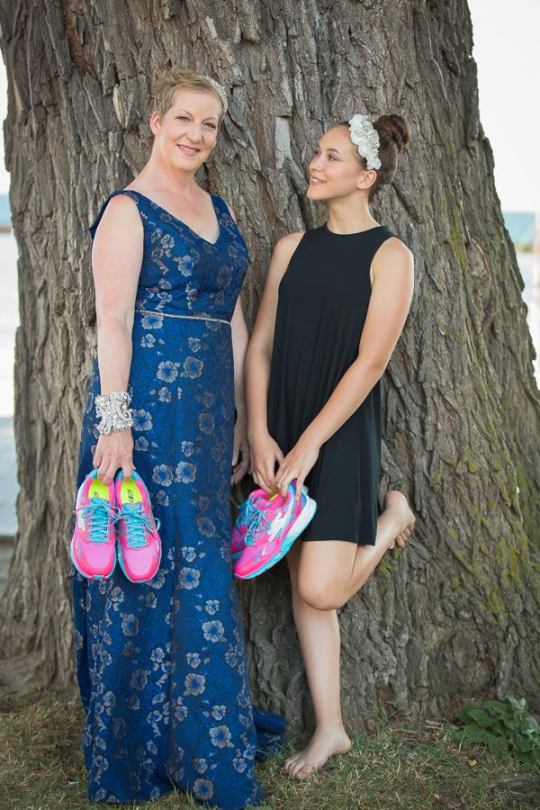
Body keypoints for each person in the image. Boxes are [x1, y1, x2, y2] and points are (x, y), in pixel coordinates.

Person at [72, 67, 282, 808]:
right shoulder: (128, 211)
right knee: (141, 568)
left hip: (203, 420)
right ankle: (137, 752)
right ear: (154, 123)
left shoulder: (217, 208)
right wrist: (116, 426)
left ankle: (198, 742)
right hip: (143, 418)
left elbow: (233, 321)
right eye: (184, 119)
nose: (197, 134)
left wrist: (236, 419)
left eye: (210, 125)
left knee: (199, 569)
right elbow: (116, 323)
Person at [245, 113, 416, 780]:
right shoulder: (291, 249)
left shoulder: (390, 256)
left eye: (332, 157)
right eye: (318, 153)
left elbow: (371, 363)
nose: (315, 164)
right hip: (281, 428)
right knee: (299, 583)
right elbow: (259, 349)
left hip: (339, 435)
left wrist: (312, 443)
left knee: (320, 589)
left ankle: (393, 519)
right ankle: (331, 729)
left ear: (366, 177)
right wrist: (260, 431)